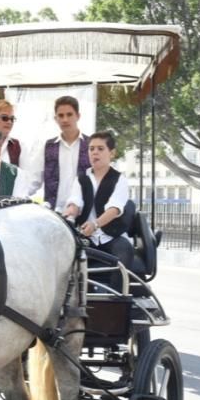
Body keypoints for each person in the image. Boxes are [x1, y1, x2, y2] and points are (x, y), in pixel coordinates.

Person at [63, 131, 135, 270]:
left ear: (112, 153)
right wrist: (69, 212)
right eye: (91, 149)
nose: (95, 152)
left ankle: (117, 291)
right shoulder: (81, 179)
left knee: (124, 251)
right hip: (85, 237)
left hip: (111, 236)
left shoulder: (120, 179)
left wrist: (95, 224)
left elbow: (114, 209)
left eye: (100, 149)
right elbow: (76, 201)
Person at [26, 95, 91, 211]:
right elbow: (33, 180)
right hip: (55, 215)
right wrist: (16, 198)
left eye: (69, 114)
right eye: (61, 115)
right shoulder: (47, 147)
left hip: (86, 213)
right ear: (55, 119)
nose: (65, 119)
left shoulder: (91, 145)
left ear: (78, 116)